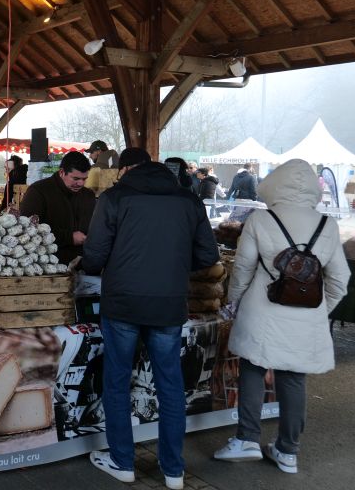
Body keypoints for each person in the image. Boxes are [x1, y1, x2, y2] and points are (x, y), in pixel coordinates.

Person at [81, 151, 219, 489]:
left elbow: (94, 256)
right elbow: (208, 255)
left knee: (117, 381)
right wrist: (170, 267)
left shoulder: (114, 197)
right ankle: (174, 471)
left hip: (123, 304)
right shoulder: (188, 201)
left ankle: (122, 461)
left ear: (127, 169)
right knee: (171, 386)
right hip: (169, 305)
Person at [213, 159, 348, 473]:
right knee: (294, 378)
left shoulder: (261, 219)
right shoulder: (327, 225)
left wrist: (234, 302)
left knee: (252, 368)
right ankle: (288, 451)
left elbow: (243, 269)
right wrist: (318, 311)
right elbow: (340, 281)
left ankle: (246, 439)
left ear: (276, 184)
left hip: (261, 309)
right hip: (307, 313)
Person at [18, 151, 95, 264]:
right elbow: (27, 230)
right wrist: (69, 238)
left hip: (82, 263)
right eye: (75, 178)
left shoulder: (88, 195)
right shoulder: (38, 192)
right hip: (48, 264)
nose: (81, 184)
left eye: (84, 179)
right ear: (62, 172)